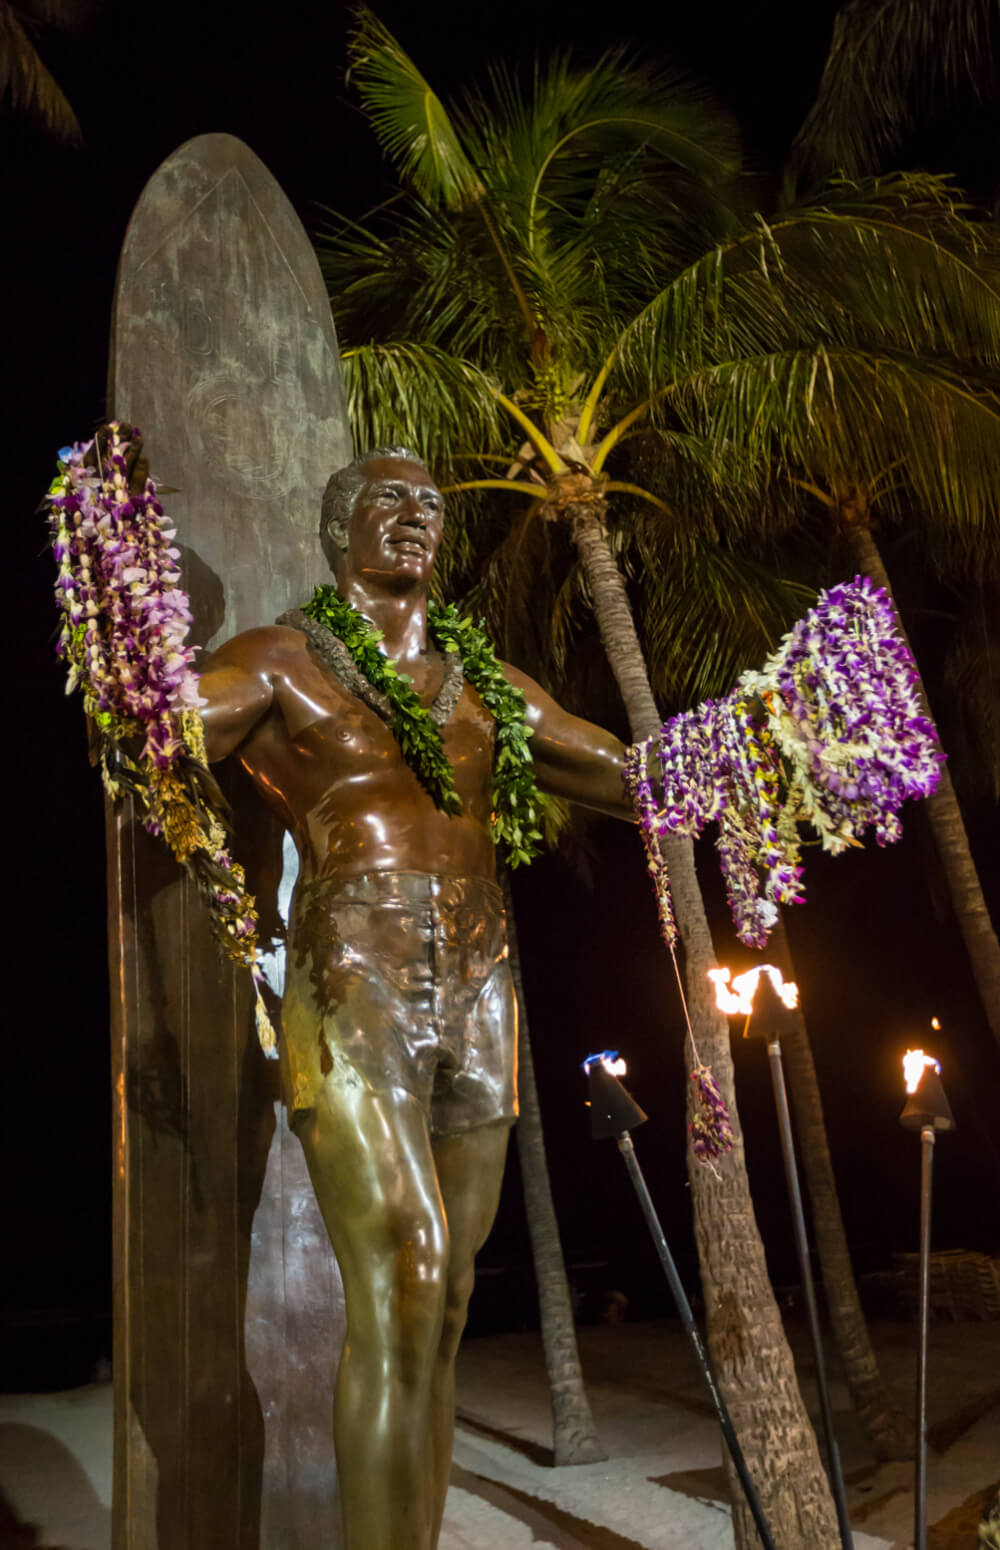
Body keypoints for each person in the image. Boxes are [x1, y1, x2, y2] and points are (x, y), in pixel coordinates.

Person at [197, 445, 631, 1550]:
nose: (413, 518)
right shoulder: (280, 659)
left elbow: (631, 775)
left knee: (440, 1309)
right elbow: (161, 736)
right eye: (387, 500)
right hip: (356, 968)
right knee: (408, 1271)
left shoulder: (486, 683)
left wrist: (777, 746)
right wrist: (123, 670)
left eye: (430, 506)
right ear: (338, 527)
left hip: (484, 978)